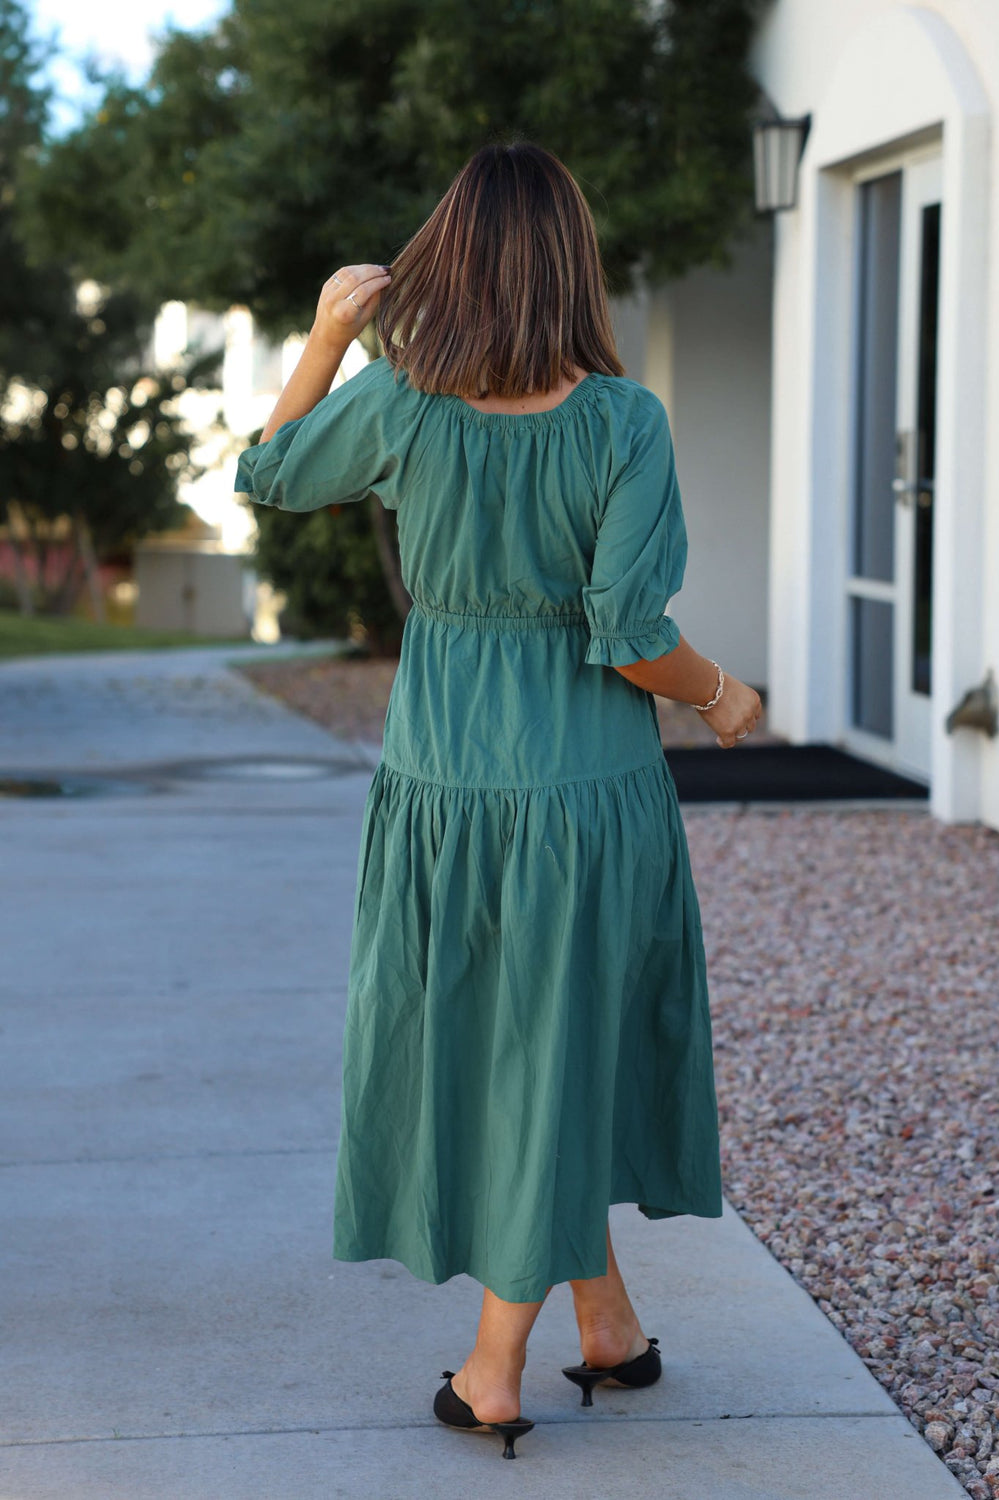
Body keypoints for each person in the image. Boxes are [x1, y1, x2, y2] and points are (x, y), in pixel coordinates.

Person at [235, 141, 761, 1461]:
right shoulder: (622, 424)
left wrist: (324, 337)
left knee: (528, 1048)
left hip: (444, 792)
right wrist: (719, 695)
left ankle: (609, 1332)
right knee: (553, 1043)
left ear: (448, 261)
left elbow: (268, 472)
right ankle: (494, 1368)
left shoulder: (405, 402)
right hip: (586, 796)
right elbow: (630, 630)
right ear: (576, 262)